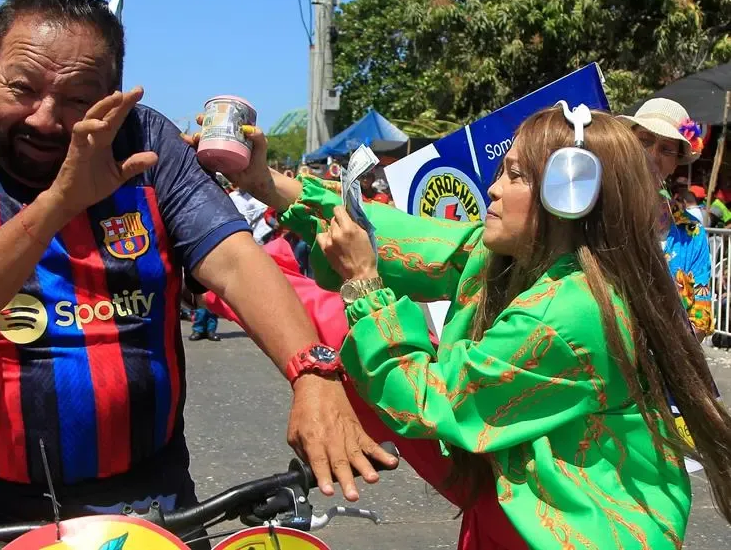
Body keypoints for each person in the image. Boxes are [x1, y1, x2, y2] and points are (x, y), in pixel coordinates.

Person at [0, 0, 394, 533]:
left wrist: (313, 373)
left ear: (112, 100)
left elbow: (234, 261)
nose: (44, 118)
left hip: (149, 501)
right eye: (22, 88)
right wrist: (59, 202)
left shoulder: (148, 145)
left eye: (77, 99)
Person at [199, 108, 731, 549]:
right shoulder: (522, 256)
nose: (493, 188)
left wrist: (364, 285)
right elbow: (405, 235)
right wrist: (263, 183)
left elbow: (426, 398)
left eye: (515, 175)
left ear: (569, 193)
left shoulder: (568, 312)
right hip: (520, 512)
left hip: (571, 532)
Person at [618, 99, 713, 340]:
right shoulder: (604, 217)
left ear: (675, 162)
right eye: (645, 141)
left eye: (666, 149)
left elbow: (701, 317)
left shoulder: (691, 235)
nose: (652, 155)